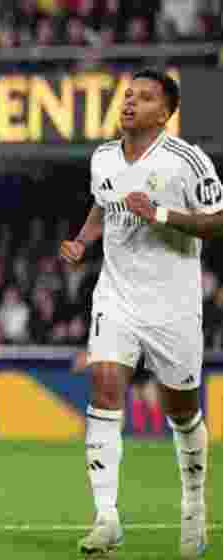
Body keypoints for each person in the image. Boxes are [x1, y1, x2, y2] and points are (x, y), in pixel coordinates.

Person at [61, 68, 213, 559]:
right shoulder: (103, 156)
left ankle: (193, 506)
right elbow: (102, 205)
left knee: (182, 413)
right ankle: (106, 517)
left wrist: (162, 214)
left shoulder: (186, 160)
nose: (130, 103)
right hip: (116, 297)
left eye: (145, 98)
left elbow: (218, 219)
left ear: (165, 113)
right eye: (128, 95)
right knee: (105, 386)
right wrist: (84, 240)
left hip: (174, 305)